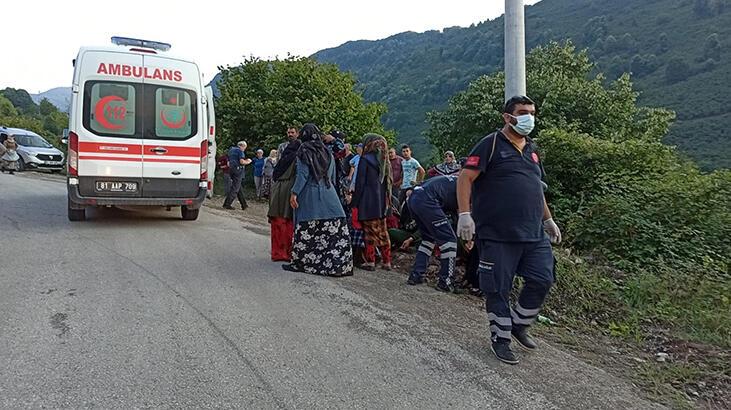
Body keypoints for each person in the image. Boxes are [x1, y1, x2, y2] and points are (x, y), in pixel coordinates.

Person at [457, 95, 561, 365]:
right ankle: (501, 339)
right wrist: (465, 215)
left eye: (532, 112)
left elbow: (536, 190)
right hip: (498, 233)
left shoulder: (532, 150)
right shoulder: (490, 144)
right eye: (523, 112)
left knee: (543, 278)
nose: (529, 118)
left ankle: (519, 324)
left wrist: (548, 220)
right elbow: (465, 177)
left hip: (533, 232)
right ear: (507, 117)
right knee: (497, 289)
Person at [284, 124, 353, 276]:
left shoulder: (304, 151)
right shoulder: (327, 152)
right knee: (333, 233)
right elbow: (333, 176)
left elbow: (303, 175)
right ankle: (337, 266)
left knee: (307, 230)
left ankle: (302, 264)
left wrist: (294, 193)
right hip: (330, 196)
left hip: (310, 196)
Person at [406, 175, 463, 292]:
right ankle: (446, 281)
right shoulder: (467, 186)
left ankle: (416, 274)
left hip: (414, 198)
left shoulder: (452, 179)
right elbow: (460, 213)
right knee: (450, 240)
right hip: (427, 200)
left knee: (428, 239)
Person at [352, 134, 392, 271]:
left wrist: (354, 203)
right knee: (382, 231)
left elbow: (360, 183)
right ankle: (387, 261)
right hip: (381, 203)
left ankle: (370, 261)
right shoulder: (385, 161)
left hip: (367, 201)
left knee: (369, 232)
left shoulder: (365, 160)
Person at [268, 134, 301, 262]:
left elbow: (275, 174)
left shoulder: (285, 158)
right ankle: (288, 252)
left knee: (277, 220)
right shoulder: (298, 158)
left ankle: (277, 252)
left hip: (279, 189)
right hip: (291, 188)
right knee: (288, 221)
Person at [223, 141, 252, 210]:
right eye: (245, 147)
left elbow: (228, 161)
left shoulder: (231, 150)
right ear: (242, 146)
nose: (244, 149)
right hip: (238, 170)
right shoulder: (240, 151)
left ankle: (244, 205)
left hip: (231, 170)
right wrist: (248, 161)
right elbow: (241, 162)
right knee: (235, 188)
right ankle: (227, 204)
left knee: (238, 187)